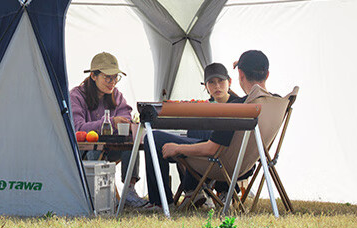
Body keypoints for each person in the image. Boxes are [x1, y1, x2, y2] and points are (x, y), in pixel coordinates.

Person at [143, 51, 271, 209]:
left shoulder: (237, 108)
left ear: (239, 75)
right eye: (211, 82)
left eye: (221, 81)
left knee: (153, 138)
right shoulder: (274, 103)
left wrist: (177, 148)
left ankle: (162, 201)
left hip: (222, 164)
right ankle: (193, 192)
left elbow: (212, 149)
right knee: (195, 131)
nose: (217, 86)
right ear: (267, 73)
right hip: (247, 163)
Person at [69, 51, 147, 208]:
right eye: (107, 77)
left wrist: (127, 124)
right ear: (93, 76)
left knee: (131, 145)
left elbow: (126, 117)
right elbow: (78, 128)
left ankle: (129, 191)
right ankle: (99, 194)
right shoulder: (76, 96)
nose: (112, 82)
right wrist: (110, 123)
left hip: (111, 149)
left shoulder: (117, 96)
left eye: (115, 78)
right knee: (95, 150)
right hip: (84, 152)